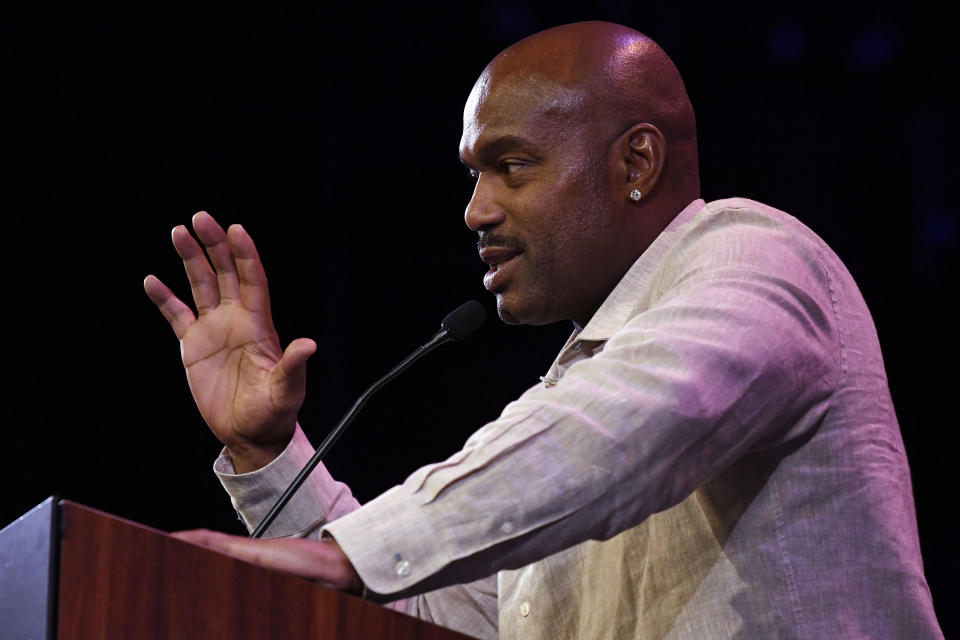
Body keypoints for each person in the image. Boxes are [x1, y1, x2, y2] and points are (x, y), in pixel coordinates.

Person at [145, 21, 943, 640]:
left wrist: (357, 553)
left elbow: (625, 424)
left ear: (636, 164)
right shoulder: (562, 443)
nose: (475, 211)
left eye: (512, 165)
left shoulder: (758, 257)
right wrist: (268, 455)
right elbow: (408, 610)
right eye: (472, 175)